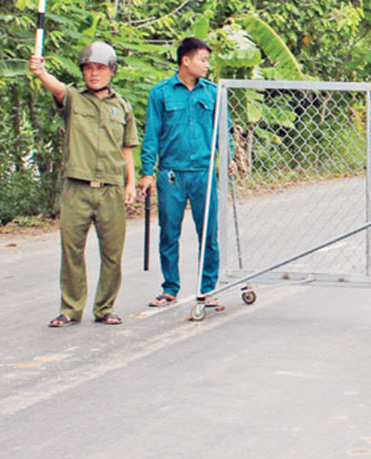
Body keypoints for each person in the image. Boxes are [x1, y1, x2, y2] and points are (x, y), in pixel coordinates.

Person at [29, 41, 138, 327]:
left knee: (112, 253)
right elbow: (57, 88)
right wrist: (40, 73)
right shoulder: (75, 99)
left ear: (111, 71)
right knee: (72, 249)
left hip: (111, 188)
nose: (94, 74)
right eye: (89, 68)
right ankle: (70, 308)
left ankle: (105, 308)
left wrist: (131, 183)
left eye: (100, 68)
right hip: (77, 186)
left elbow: (128, 147)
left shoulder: (122, 107)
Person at [138, 37, 229, 308]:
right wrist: (147, 171)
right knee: (169, 231)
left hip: (204, 170)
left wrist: (229, 157)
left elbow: (223, 129)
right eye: (202, 60)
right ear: (185, 61)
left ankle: (207, 287)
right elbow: (151, 133)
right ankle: (170, 288)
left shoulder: (213, 93)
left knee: (208, 232)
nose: (206, 66)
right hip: (172, 173)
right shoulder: (161, 93)